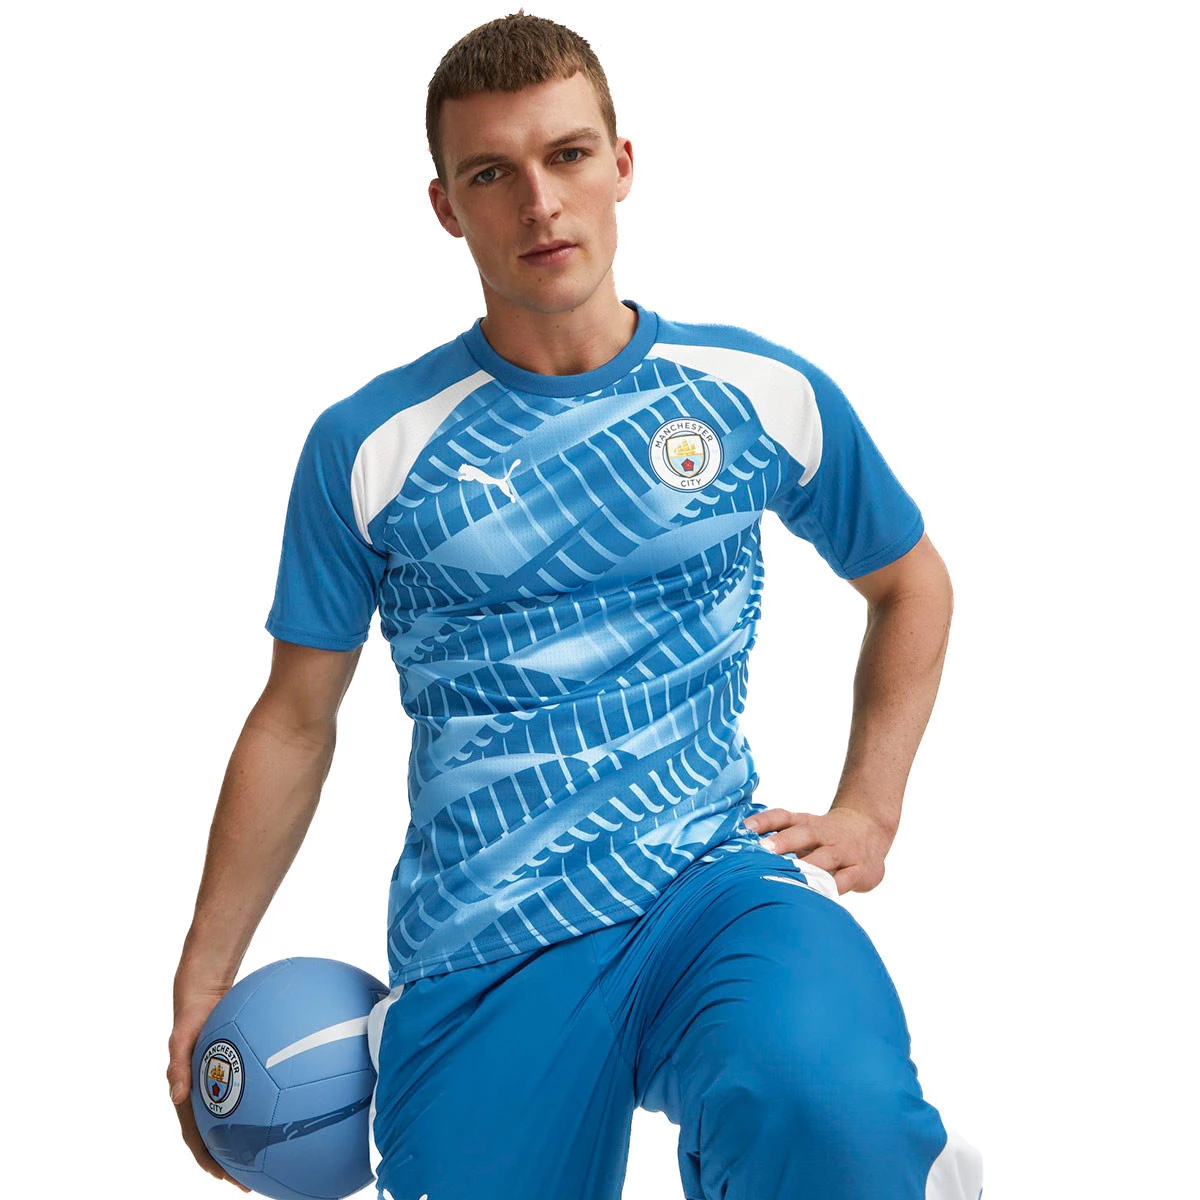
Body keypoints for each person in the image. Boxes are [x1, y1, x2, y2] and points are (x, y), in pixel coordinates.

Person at [168, 11, 984, 1199]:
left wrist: (870, 807)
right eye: (491, 173)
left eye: (567, 155)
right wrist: (203, 979)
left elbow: (910, 581)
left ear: (622, 164)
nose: (540, 204)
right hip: (487, 940)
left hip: (707, 883)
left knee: (827, 1113)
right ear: (446, 206)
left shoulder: (752, 392)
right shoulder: (371, 446)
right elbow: (295, 721)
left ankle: (879, 1162)